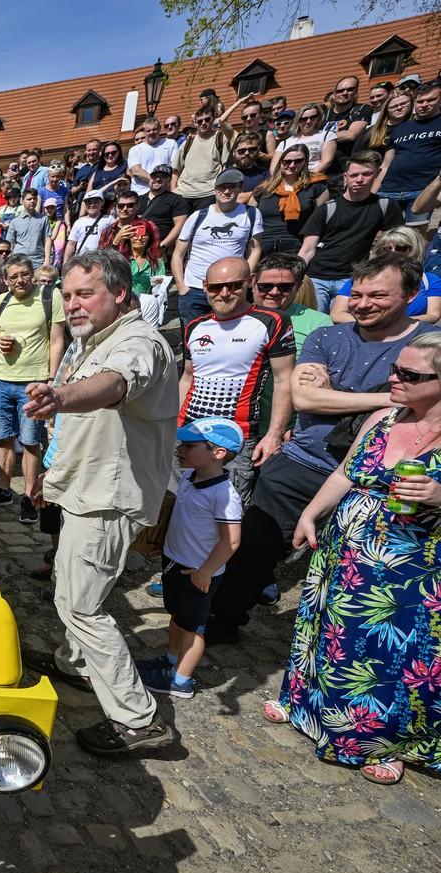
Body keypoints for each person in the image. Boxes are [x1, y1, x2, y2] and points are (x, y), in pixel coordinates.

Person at [207, 253, 438, 644]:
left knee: (360, 574)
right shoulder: (328, 336)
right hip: (303, 464)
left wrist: (335, 394)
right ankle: (222, 623)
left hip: (384, 479)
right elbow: (305, 398)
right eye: (357, 294)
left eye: (378, 295)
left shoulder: (426, 347)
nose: (363, 304)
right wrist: (389, 399)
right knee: (254, 546)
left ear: (411, 294)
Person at [265, 330, 441, 784]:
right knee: (331, 631)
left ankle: (385, 743)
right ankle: (307, 709)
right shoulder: (382, 418)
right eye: (395, 368)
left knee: (393, 655)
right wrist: (310, 513)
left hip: (412, 568)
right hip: (347, 550)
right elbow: (347, 472)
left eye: (409, 374)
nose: (393, 378)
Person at [22, 250, 179, 755]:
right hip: (85, 489)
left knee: (82, 606)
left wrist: (60, 397)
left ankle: (138, 719)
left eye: (85, 293)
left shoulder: (139, 343)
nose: (73, 304)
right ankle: (74, 665)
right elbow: (86, 427)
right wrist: (54, 471)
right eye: (67, 295)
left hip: (108, 499)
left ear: (121, 294)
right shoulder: (97, 339)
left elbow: (112, 386)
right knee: (71, 589)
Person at [137, 417, 243, 699]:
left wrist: (206, 571)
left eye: (189, 445)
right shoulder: (188, 476)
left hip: (197, 571)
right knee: (177, 617)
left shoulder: (224, 495)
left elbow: (231, 540)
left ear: (218, 453)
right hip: (176, 561)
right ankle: (171, 663)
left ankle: (181, 681)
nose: (180, 449)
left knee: (193, 629)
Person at [179, 257, 296, 501]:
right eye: (215, 287)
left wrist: (273, 435)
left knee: (228, 512)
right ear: (204, 287)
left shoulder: (271, 321)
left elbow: (284, 380)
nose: (223, 293)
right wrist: (173, 426)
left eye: (233, 286)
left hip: (236, 436)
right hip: (190, 429)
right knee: (180, 503)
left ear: (250, 283)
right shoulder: (194, 326)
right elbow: (187, 378)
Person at [0, 254, 66, 524]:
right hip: (3, 379)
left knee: (30, 442)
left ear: (32, 274)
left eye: (24, 274)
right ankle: (3, 489)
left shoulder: (50, 297)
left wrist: (52, 378)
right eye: (14, 276)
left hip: (34, 382)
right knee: (3, 438)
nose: (20, 280)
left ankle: (29, 497)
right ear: (5, 280)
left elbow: (56, 339)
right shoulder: (2, 301)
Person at [300, 150, 405, 311]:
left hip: (352, 278)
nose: (360, 180)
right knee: (315, 325)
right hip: (317, 276)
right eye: (354, 175)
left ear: (377, 174)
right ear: (345, 177)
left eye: (367, 174)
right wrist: (297, 276)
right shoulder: (328, 209)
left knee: (343, 325)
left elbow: (397, 243)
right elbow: (307, 250)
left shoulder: (385, 206)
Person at [170, 169, 263, 327]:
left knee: (230, 335)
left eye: (232, 187)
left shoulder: (251, 214)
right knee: (192, 339)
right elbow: (178, 254)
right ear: (215, 190)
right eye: (222, 187)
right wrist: (181, 287)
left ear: (240, 189)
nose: (227, 191)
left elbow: (256, 249)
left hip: (231, 289)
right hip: (195, 288)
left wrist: (244, 279)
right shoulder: (198, 216)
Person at [328, 226, 441, 323]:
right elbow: (337, 314)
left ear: (415, 249)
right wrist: (374, 323)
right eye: (387, 249)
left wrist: (398, 324)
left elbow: (433, 315)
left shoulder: (429, 280)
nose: (393, 252)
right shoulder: (362, 278)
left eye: (401, 248)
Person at [375, 81, 441, 227]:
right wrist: (374, 192)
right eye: (420, 101)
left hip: (423, 192)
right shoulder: (401, 128)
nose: (424, 104)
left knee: (416, 238)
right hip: (389, 190)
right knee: (386, 237)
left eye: (431, 100)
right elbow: (386, 164)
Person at [250, 143, 330, 254]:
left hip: (297, 247)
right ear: (280, 163)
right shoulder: (263, 188)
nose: (292, 165)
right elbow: (249, 219)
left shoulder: (316, 187)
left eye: (298, 161)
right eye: (287, 161)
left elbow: (320, 223)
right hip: (262, 248)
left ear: (305, 162)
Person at [174, 104, 238, 210]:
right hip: (182, 194)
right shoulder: (188, 141)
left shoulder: (221, 138)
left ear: (213, 119)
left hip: (207, 194)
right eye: (200, 121)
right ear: (195, 123)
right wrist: (174, 191)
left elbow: (225, 167)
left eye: (207, 119)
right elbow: (175, 171)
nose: (203, 123)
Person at [270, 102, 337, 175]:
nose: (308, 121)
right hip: (288, 180)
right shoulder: (285, 142)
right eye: (304, 119)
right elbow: (273, 168)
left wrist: (306, 178)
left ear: (319, 118)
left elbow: (327, 161)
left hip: (314, 178)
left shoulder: (327, 135)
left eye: (313, 117)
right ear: (298, 120)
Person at [138, 164, 190, 253]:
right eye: (154, 176)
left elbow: (179, 226)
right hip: (137, 246)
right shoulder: (138, 199)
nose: (158, 179)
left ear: (169, 180)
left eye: (163, 176)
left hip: (159, 249)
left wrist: (162, 246)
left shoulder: (177, 200)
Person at [127, 117, 180, 196]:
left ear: (159, 129)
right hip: (141, 193)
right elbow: (136, 170)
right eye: (148, 130)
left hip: (164, 192)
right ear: (144, 132)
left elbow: (174, 168)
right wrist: (156, 181)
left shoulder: (171, 144)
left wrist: (172, 189)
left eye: (154, 129)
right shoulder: (135, 149)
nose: (152, 132)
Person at [5, 190, 51, 270]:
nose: (32, 201)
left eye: (34, 199)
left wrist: (47, 261)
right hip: (19, 262)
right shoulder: (15, 222)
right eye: (29, 199)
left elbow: (47, 240)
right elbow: (10, 243)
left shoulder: (43, 219)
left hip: (38, 261)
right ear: (22, 201)